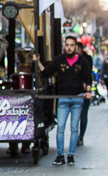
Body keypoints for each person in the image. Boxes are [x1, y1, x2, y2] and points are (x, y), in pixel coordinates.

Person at [33, 35, 92, 166]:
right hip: (63, 99)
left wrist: (88, 91)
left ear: (75, 47)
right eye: (67, 45)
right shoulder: (59, 60)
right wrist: (37, 62)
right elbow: (47, 72)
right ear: (64, 46)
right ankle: (60, 155)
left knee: (74, 128)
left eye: (72, 45)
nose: (69, 48)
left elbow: (88, 77)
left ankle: (71, 155)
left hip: (77, 98)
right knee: (60, 128)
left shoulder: (82, 61)